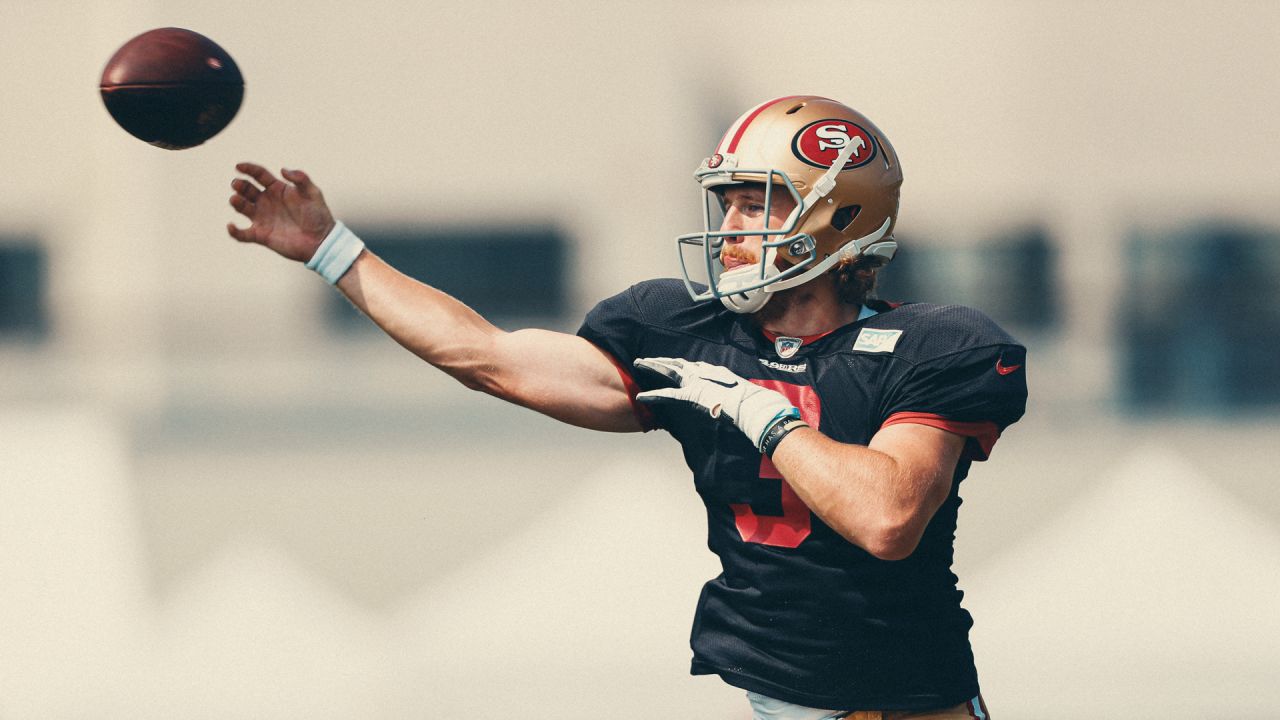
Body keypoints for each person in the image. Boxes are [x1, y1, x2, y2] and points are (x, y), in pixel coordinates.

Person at [227, 95, 1024, 720]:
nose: (732, 230)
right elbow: (489, 358)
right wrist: (334, 252)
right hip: (777, 701)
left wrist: (764, 415)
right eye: (729, 203)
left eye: (758, 204)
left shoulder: (931, 344)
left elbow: (888, 518)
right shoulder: (685, 331)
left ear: (840, 216)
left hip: (913, 709)